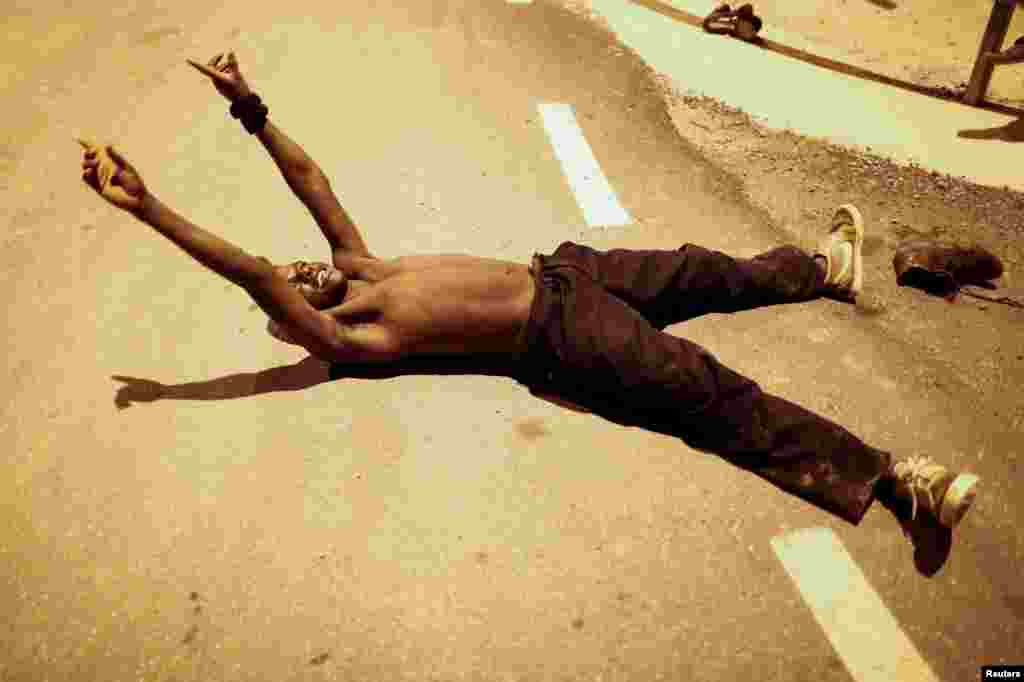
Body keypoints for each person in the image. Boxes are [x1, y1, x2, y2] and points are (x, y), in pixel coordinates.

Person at [79, 51, 978, 540]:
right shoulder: (357, 336)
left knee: (709, 271)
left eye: (304, 270)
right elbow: (253, 270)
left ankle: (825, 268)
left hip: (566, 273)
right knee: (713, 397)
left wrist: (250, 108)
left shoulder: (361, 266)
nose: (305, 270)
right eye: (295, 291)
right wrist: (150, 204)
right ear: (298, 320)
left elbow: (311, 179)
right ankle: (896, 481)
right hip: (563, 337)